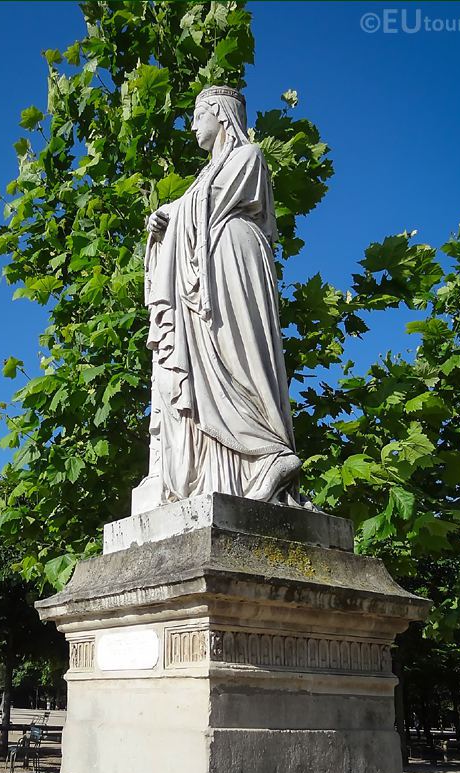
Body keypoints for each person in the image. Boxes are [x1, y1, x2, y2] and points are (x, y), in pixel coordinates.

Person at [134, 85, 303, 509]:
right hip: (201, 270)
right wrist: (162, 223)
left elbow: (209, 202)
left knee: (239, 354)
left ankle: (266, 453)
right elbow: (196, 200)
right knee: (206, 362)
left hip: (232, 263)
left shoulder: (248, 157)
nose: (192, 125)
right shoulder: (202, 177)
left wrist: (173, 210)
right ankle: (219, 470)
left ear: (221, 114)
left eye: (197, 115)